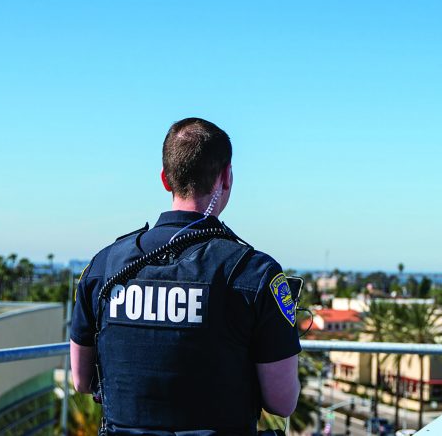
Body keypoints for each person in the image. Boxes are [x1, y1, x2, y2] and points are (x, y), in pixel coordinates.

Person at [70, 117, 301, 435]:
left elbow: (82, 381)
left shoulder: (103, 267)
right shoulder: (255, 274)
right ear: (226, 177)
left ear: (165, 179)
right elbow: (282, 402)